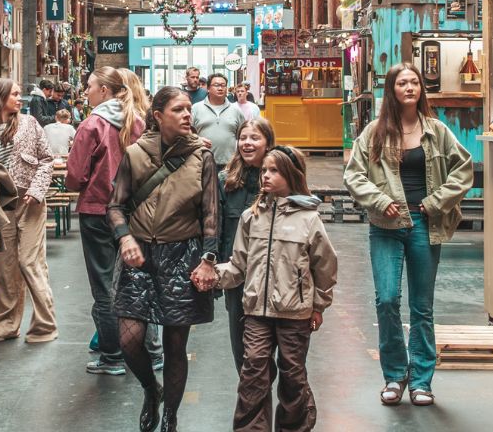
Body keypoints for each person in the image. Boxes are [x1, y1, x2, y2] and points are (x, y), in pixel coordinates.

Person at [344, 63, 473, 407]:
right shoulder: (374, 132)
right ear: (392, 90)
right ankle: (394, 376)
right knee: (386, 300)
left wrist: (435, 202)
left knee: (422, 307)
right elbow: (354, 176)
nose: (410, 87)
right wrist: (380, 200)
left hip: (423, 225)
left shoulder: (437, 131)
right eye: (402, 82)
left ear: (421, 89)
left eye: (414, 81)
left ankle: (420, 381)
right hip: (386, 227)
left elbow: (463, 169)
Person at [107, 86, 218, 432]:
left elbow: (211, 214)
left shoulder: (203, 156)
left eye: (189, 109)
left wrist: (208, 259)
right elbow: (115, 205)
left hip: (182, 256)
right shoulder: (135, 154)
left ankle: (170, 415)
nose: (188, 114)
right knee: (129, 340)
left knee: (174, 344)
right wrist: (125, 237)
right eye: (178, 109)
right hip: (140, 257)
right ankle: (150, 391)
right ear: (157, 116)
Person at [206, 145, 337, 432]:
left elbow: (325, 266)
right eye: (264, 170)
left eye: (274, 170)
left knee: (292, 374)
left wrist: (318, 305)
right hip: (255, 310)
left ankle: (293, 427)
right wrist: (212, 276)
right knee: (253, 370)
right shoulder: (251, 217)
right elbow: (238, 265)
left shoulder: (308, 219)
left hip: (295, 314)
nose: (265, 175)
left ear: (291, 175)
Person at [66, 66, 162, 376]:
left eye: (91, 85)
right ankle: (151, 351)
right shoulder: (139, 123)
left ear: (105, 91)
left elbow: (74, 177)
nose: (87, 91)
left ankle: (112, 355)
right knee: (138, 281)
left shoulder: (92, 124)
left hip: (98, 212)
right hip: (134, 212)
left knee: (105, 286)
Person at [0, 78, 58, 343]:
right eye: (15, 94)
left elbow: (47, 160)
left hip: (29, 201)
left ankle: (45, 325)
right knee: (5, 265)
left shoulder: (30, 123)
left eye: (20, 94)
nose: (19, 99)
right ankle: (6, 323)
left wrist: (37, 190)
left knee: (29, 262)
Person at [217, 117, 275, 372]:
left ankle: (258, 392)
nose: (247, 143)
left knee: (266, 346)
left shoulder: (280, 181)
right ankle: (252, 398)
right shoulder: (225, 180)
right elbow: (217, 228)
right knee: (241, 347)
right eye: (243, 138)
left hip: (273, 276)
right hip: (238, 276)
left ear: (268, 143)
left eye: (255, 138)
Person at [191, 73, 246, 170]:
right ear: (208, 88)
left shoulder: (236, 110)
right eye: (216, 85)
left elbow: (244, 136)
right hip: (202, 163)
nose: (220, 88)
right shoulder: (195, 109)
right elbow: (187, 134)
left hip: (229, 165)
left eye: (223, 85)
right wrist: (196, 140)